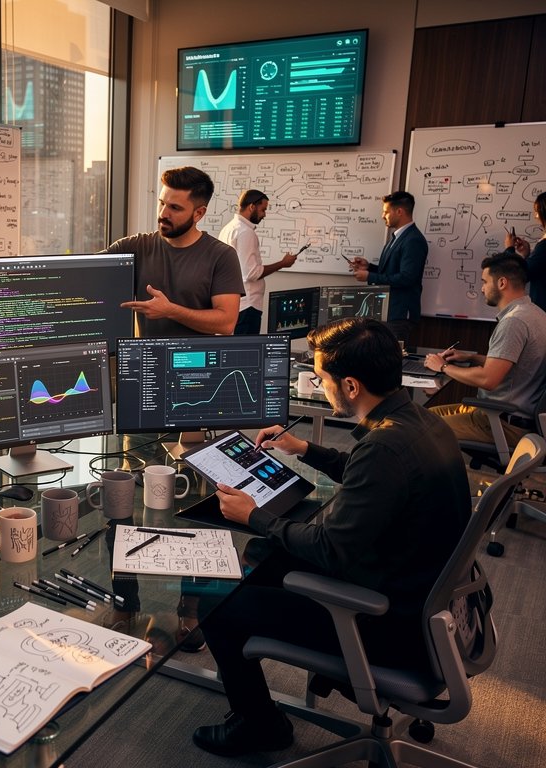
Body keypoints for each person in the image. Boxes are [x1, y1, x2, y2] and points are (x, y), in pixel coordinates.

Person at [192, 317, 469, 758]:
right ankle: (252, 683)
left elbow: (330, 549)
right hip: (421, 595)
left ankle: (260, 725)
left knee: (217, 601)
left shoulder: (383, 449)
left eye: (321, 378)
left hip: (386, 623)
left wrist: (255, 515)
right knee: (270, 557)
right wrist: (305, 450)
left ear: (352, 386)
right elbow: (376, 479)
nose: (319, 386)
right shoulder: (418, 422)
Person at [424, 253, 546, 450]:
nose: (481, 288)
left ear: (502, 283)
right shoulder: (536, 314)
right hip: (506, 417)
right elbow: (514, 365)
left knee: (418, 429)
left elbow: (488, 379)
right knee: (423, 416)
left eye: (484, 281)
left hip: (501, 424)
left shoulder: (514, 322)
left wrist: (443, 366)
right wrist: (471, 357)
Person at [106, 166, 244, 336]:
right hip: (148, 360)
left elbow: (226, 324)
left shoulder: (222, 256)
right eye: (161, 203)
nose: (163, 213)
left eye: (175, 208)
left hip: (196, 361)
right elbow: (82, 270)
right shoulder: (134, 246)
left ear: (198, 213)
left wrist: (171, 311)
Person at [349, 190, 428, 345]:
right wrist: (369, 267)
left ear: (399, 212)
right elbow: (392, 272)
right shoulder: (397, 237)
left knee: (389, 360)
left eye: (386, 212)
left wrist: (369, 277)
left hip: (398, 315)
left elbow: (406, 278)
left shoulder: (413, 240)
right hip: (388, 312)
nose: (382, 216)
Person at [217, 189, 298, 335]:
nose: (264, 215)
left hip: (236, 304)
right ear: (251, 207)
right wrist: (282, 263)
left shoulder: (228, 228)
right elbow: (251, 273)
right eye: (263, 210)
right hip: (248, 306)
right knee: (247, 353)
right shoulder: (245, 232)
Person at [504, 190, 546, 312]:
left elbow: (519, 275)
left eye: (537, 211)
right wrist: (526, 254)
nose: (535, 216)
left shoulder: (544, 247)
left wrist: (509, 249)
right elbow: (536, 269)